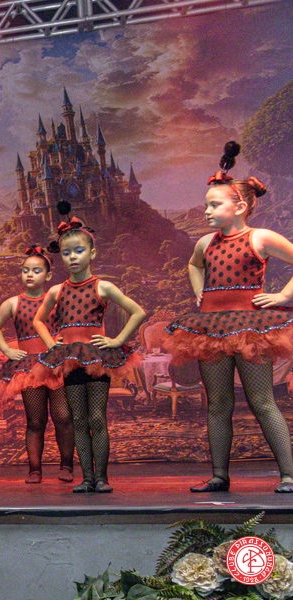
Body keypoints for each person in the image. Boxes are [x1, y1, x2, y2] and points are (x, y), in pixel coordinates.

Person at [165, 141, 293, 494]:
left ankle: (289, 475)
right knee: (218, 403)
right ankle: (220, 475)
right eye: (207, 204)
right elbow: (194, 265)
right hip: (212, 328)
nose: (207, 211)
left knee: (262, 401)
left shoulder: (260, 237)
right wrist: (199, 291)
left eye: (214, 204)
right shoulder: (206, 243)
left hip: (250, 328)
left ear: (240, 206)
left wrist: (283, 296)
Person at [33, 218, 146, 493]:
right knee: (78, 420)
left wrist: (117, 340)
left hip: (96, 359)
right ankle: (86, 478)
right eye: (66, 252)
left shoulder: (103, 287)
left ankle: (102, 478)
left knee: (96, 418)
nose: (72, 257)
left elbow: (138, 312)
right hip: (69, 360)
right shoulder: (56, 290)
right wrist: (51, 344)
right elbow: (38, 320)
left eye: (79, 251)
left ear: (92, 253)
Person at [0, 246, 74, 483]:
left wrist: (63, 341)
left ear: (48, 275)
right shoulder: (13, 303)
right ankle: (34, 470)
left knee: (63, 417)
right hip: (29, 368)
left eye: (36, 271)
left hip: (56, 364)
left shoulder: (56, 300)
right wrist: (7, 350)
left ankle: (67, 466)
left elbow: (71, 324)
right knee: (35, 420)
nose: (29, 274)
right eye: (26, 270)